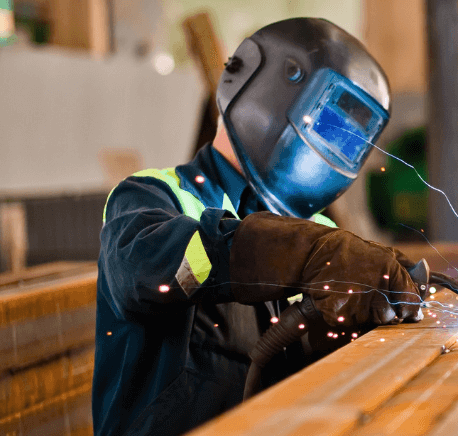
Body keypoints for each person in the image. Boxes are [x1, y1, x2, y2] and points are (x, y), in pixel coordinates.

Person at [92, 18, 425, 436]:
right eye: (327, 124)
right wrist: (300, 255)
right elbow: (142, 268)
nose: (335, 147)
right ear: (264, 88)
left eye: (351, 141)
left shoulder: (317, 229)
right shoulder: (153, 197)